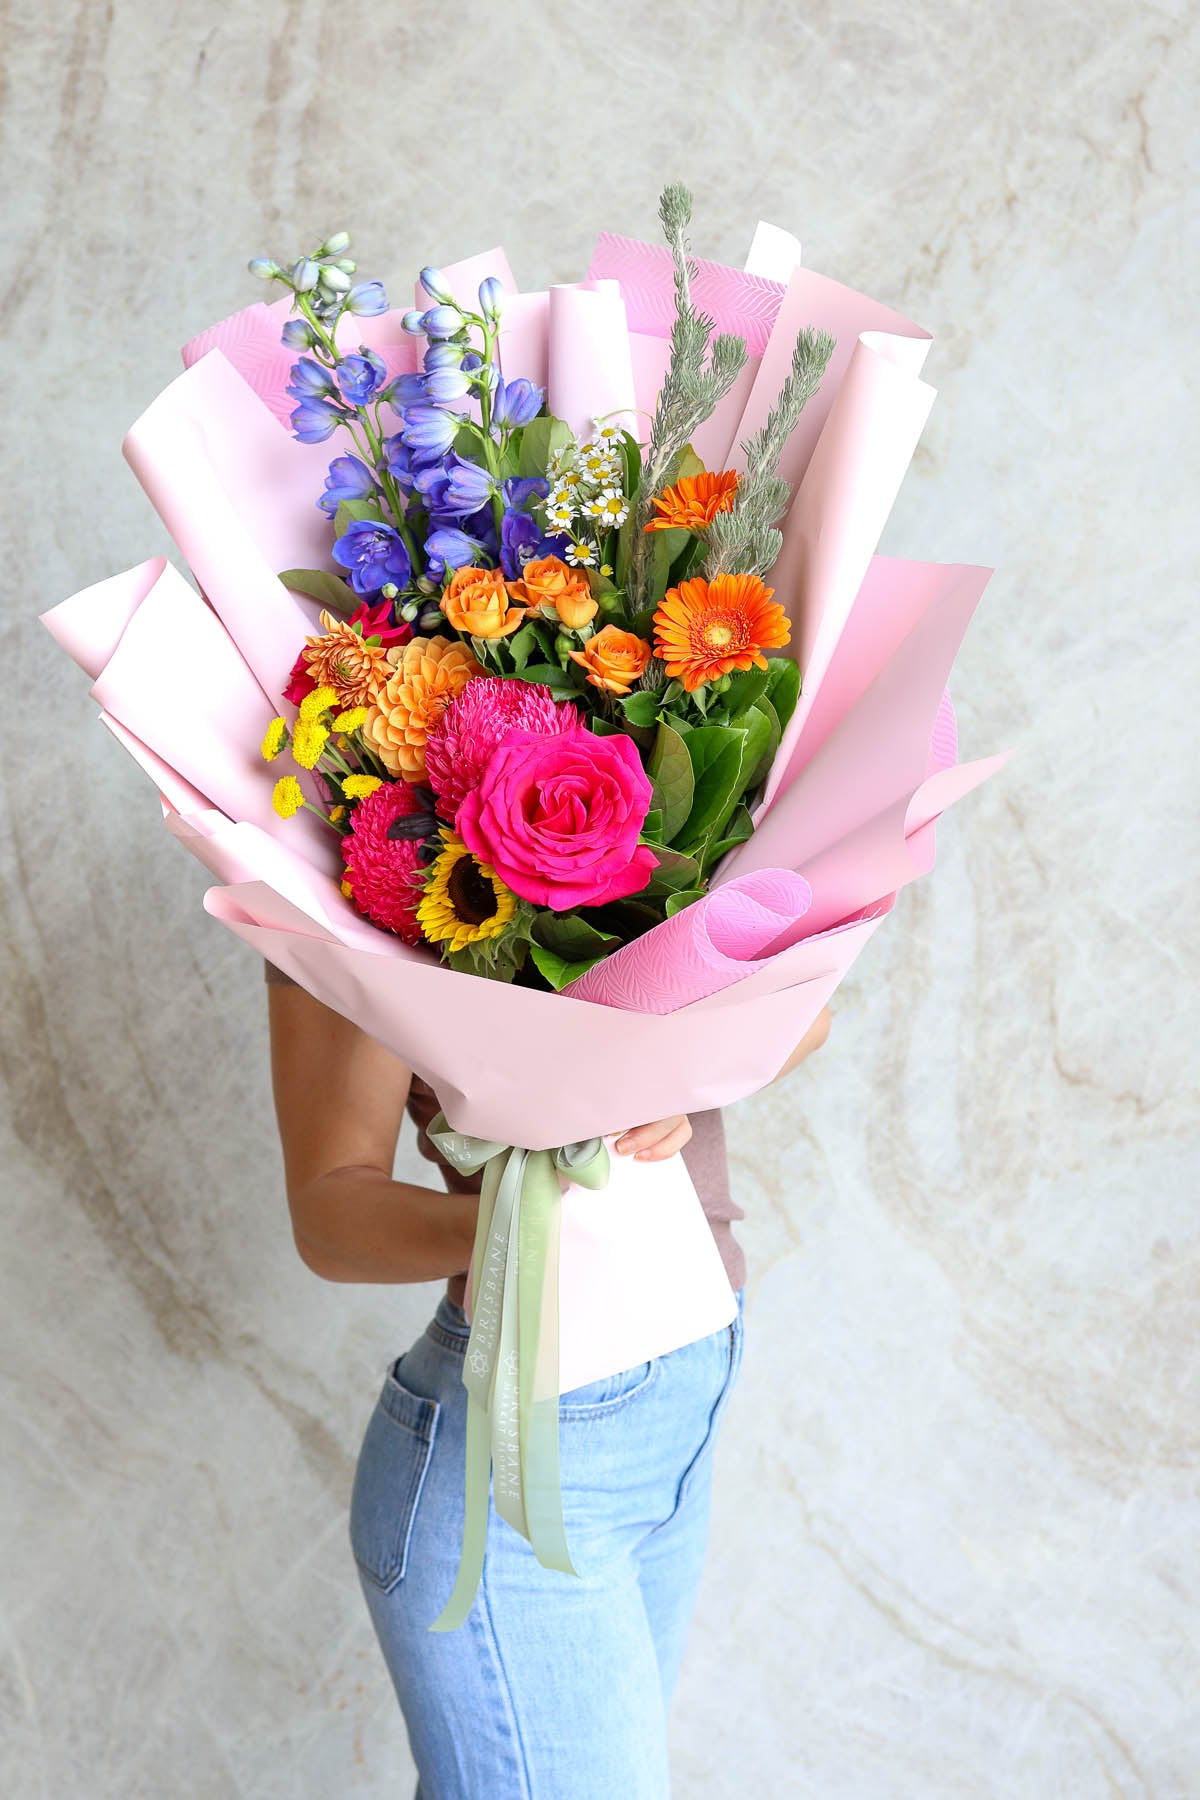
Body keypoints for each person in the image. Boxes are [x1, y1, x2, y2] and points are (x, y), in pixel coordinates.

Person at [265, 957, 831, 1799]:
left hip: (681, 1409)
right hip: (515, 1471)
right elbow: (330, 1215)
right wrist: (525, 1219)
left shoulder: (661, 831)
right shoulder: (358, 870)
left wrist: (681, 1070)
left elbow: (809, 1006)